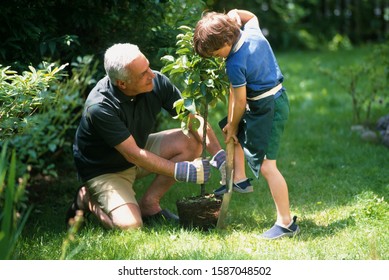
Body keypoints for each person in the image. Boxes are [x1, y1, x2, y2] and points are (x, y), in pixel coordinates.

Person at [66, 43, 226, 230]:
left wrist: (220, 156)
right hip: (105, 169)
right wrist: (181, 171)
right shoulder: (100, 107)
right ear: (122, 83)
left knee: (191, 141)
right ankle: (87, 199)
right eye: (143, 74)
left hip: (136, 148)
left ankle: (149, 204)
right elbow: (132, 154)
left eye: (148, 66)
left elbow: (193, 121)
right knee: (130, 226)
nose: (152, 74)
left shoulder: (156, 81)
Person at [193, 9, 300, 239]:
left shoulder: (234, 63)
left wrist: (233, 125)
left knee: (267, 166)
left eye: (215, 53)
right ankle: (240, 179)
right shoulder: (252, 32)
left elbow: (239, 101)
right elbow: (250, 16)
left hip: (269, 107)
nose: (217, 57)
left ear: (224, 41)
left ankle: (286, 223)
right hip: (267, 102)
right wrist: (235, 13)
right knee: (234, 129)